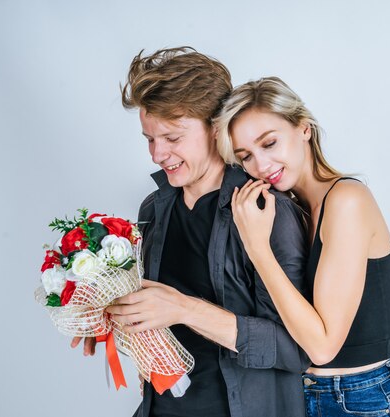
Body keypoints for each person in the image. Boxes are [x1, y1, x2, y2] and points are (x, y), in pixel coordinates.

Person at [72, 48, 310, 417]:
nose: (156, 154)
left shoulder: (268, 211)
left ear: (216, 129)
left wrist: (184, 308)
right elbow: (155, 313)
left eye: (172, 138)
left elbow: (296, 350)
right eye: (149, 139)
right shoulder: (153, 208)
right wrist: (110, 316)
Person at [215, 76, 390, 417]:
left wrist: (257, 248)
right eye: (246, 156)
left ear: (303, 128)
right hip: (308, 397)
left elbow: (322, 347)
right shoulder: (301, 211)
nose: (261, 166)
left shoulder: (347, 200)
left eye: (270, 143)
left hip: (357, 400)